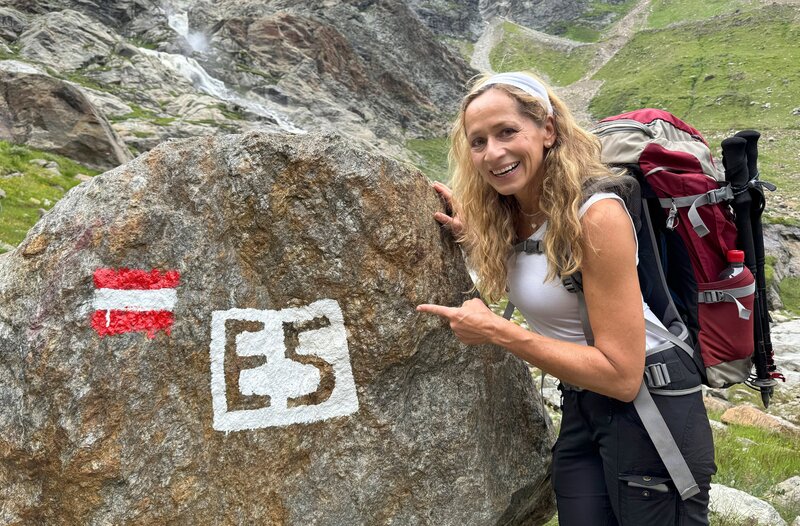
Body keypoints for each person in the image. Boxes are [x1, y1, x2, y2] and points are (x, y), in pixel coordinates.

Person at [416, 71, 716, 525]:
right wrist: (476, 236)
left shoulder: (595, 216)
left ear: (548, 130)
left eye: (507, 132)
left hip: (650, 404)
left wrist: (499, 333)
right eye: (478, 142)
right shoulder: (512, 215)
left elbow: (622, 375)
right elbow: (543, 276)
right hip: (582, 400)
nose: (492, 153)